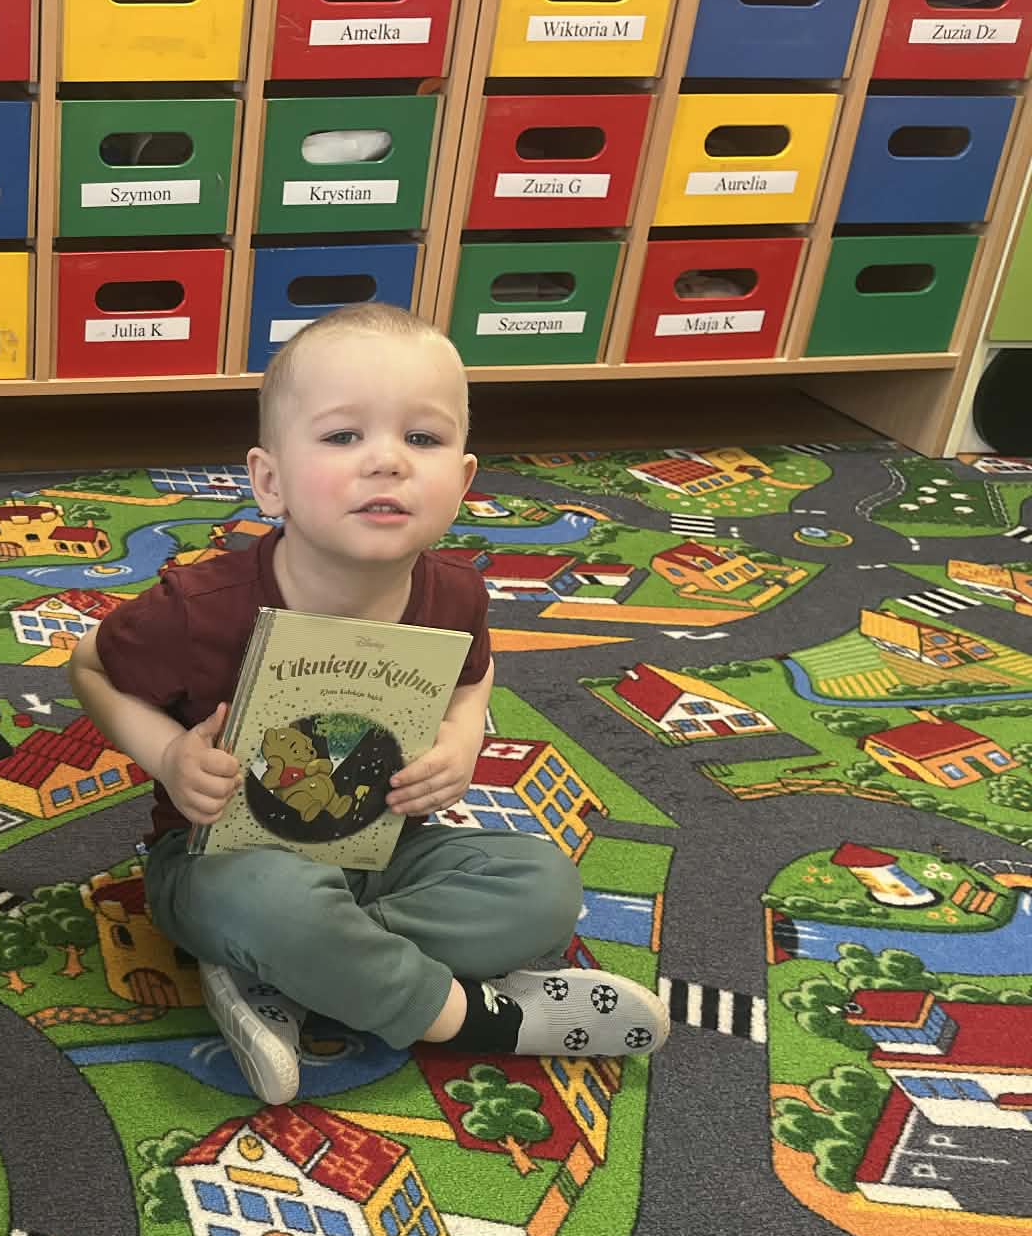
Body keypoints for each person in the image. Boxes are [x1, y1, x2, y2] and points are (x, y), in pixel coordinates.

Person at [69, 302, 669, 1104]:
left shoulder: (455, 593)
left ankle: (289, 970)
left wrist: (461, 738)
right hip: (221, 862)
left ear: (463, 482)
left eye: (422, 438)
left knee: (545, 888)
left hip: (386, 857)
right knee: (271, 904)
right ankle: (464, 1017)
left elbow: (472, 674)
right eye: (344, 435)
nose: (387, 461)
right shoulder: (198, 608)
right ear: (270, 481)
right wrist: (168, 756)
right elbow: (89, 666)